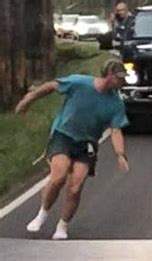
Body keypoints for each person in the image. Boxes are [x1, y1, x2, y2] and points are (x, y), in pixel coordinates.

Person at [15, 59, 131, 240]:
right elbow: (52, 86)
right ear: (109, 75)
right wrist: (29, 98)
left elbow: (116, 130)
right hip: (64, 134)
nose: (122, 83)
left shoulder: (116, 103)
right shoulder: (80, 83)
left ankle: (62, 226)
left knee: (76, 187)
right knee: (59, 177)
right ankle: (42, 214)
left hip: (87, 143)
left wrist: (120, 155)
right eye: (119, 78)